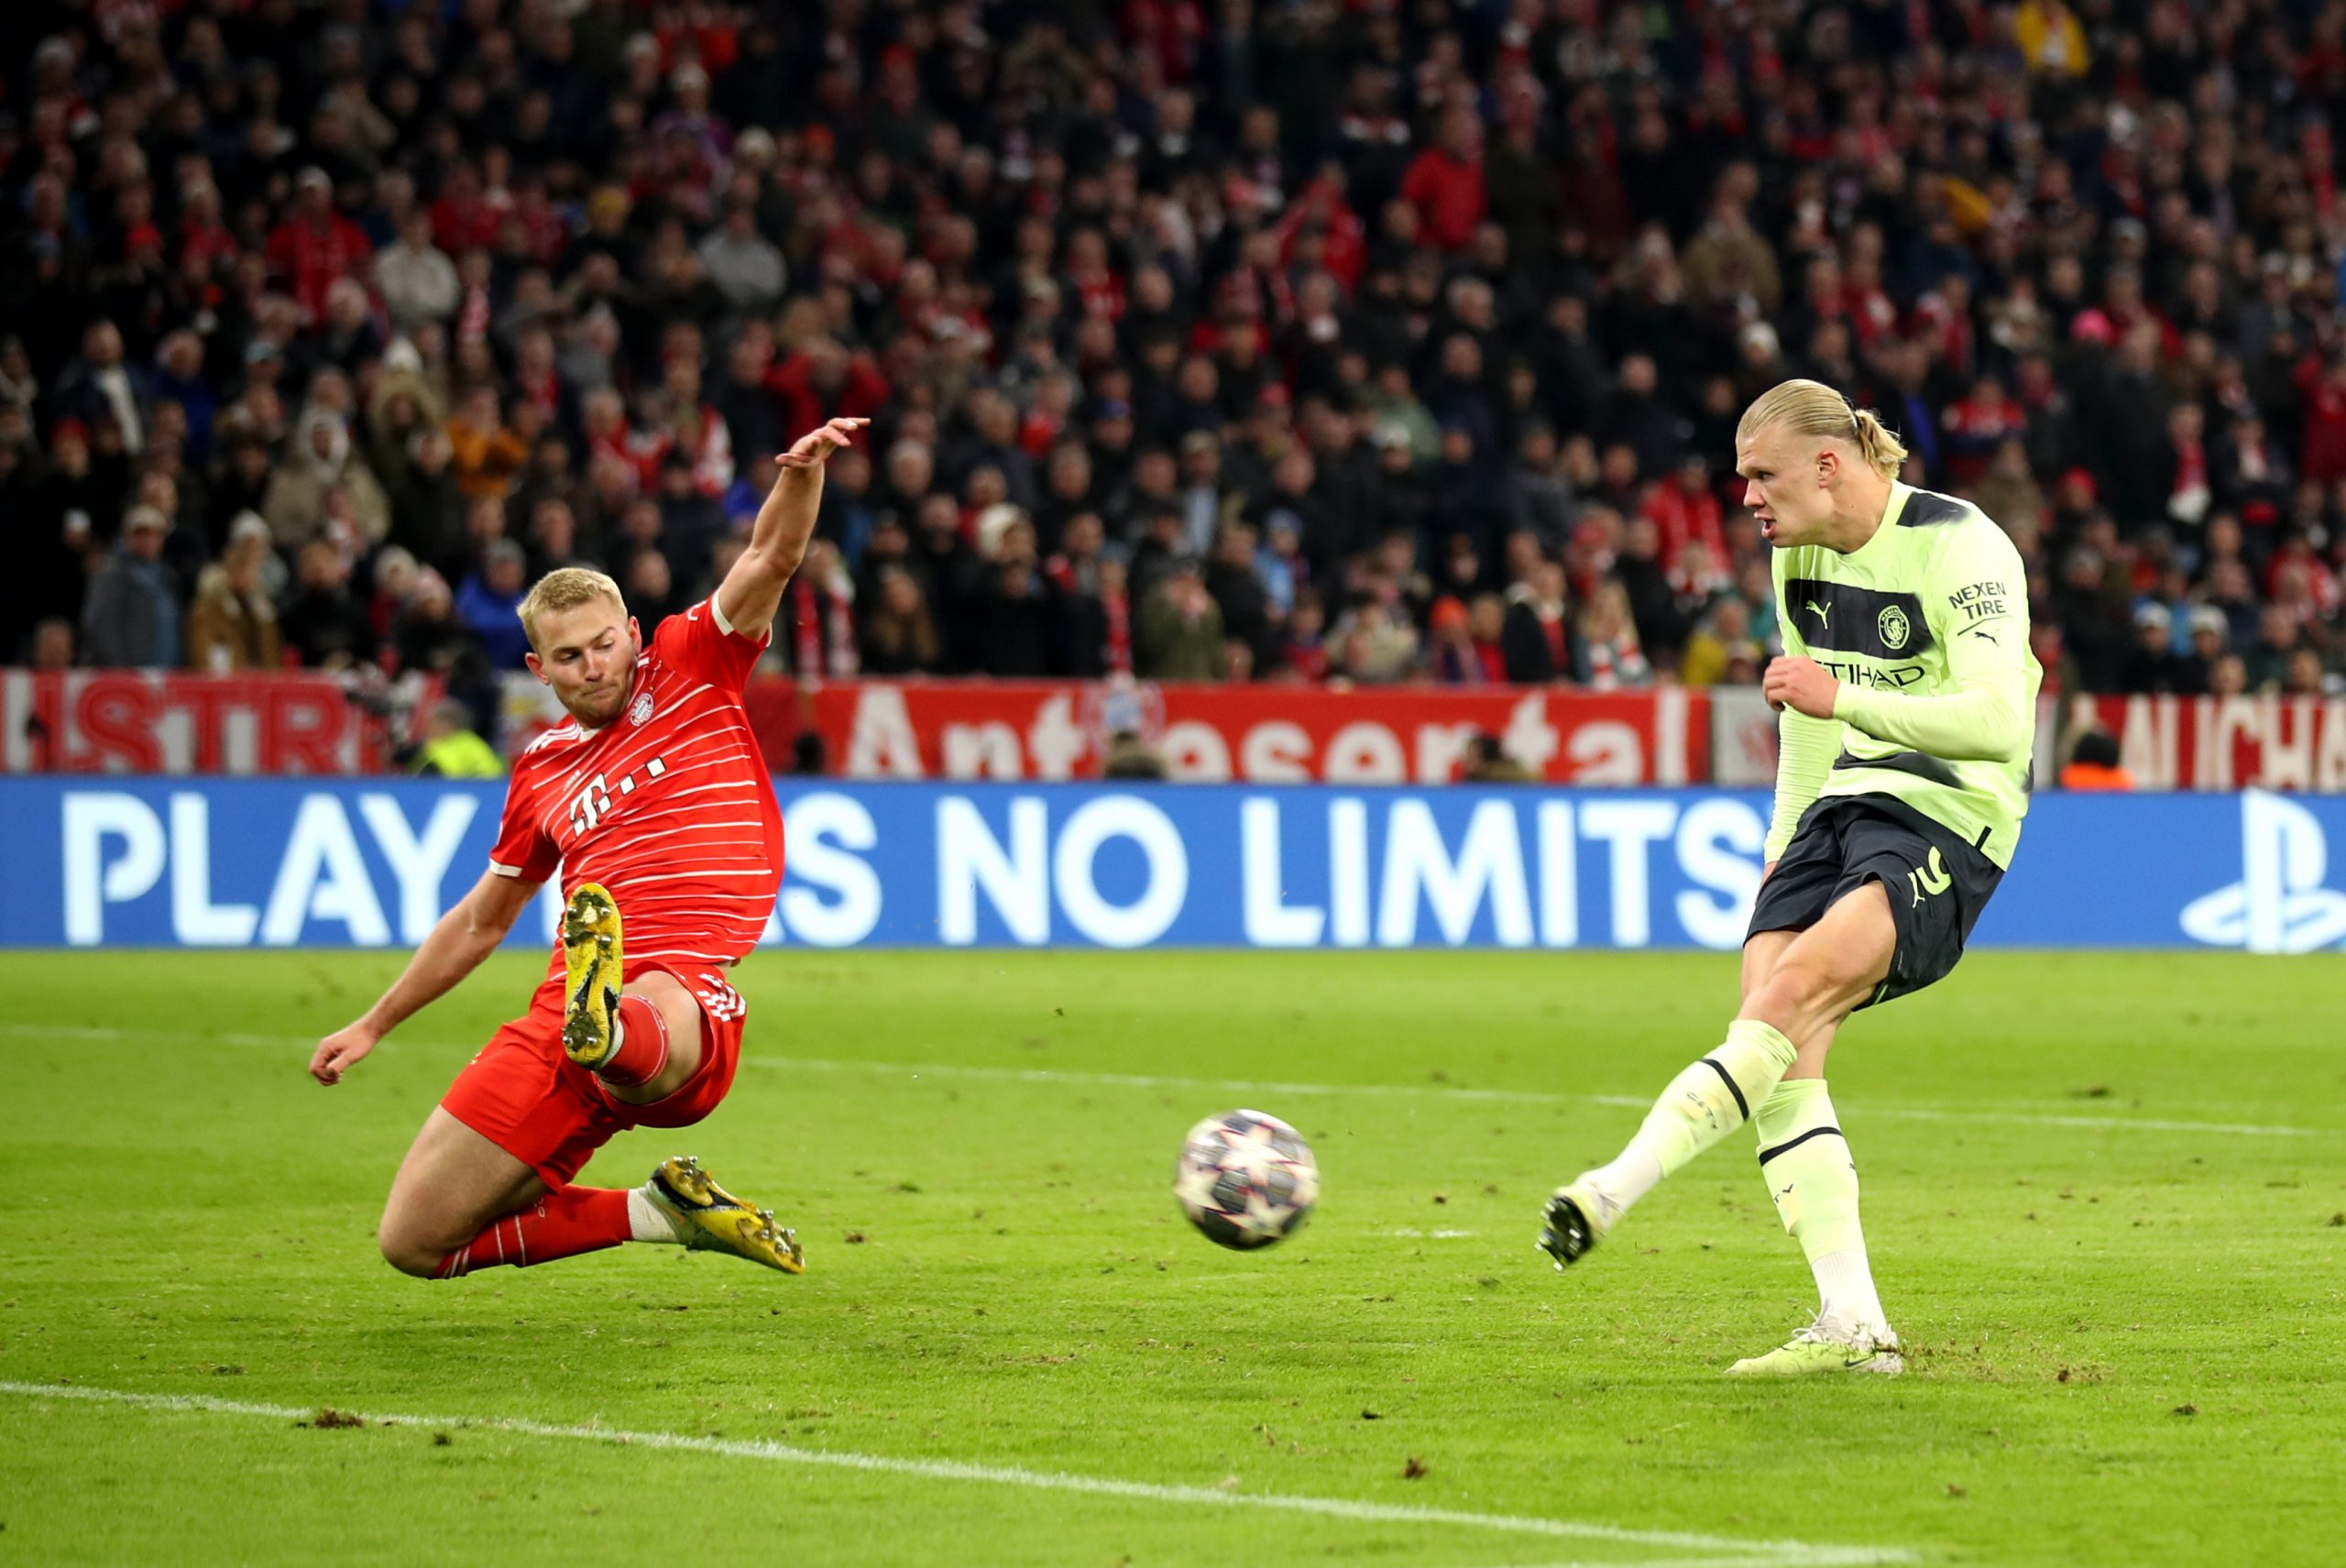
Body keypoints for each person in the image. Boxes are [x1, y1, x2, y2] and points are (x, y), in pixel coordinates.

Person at [1540, 380, 2040, 1377]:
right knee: (1775, 1033)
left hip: (1949, 809)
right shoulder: (1797, 557)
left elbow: (2000, 723)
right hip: (1837, 808)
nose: (1748, 500)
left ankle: (1611, 1189)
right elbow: (1804, 723)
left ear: (1827, 464)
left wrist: (1844, 694)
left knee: (1791, 1000)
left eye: (1761, 476)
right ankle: (1852, 1326)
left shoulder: (1962, 544)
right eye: (1740, 481)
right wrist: (1783, 847)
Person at [308, 415, 870, 1283]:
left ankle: (607, 1029)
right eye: (569, 657)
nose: (595, 666)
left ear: (635, 631)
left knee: (647, 1014)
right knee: (415, 1242)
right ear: (540, 670)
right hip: (555, 1013)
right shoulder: (537, 769)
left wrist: (800, 473)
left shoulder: (693, 661)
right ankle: (660, 1208)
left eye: (606, 643)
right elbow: (479, 923)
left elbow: (770, 559)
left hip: (680, 983)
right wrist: (373, 1022)